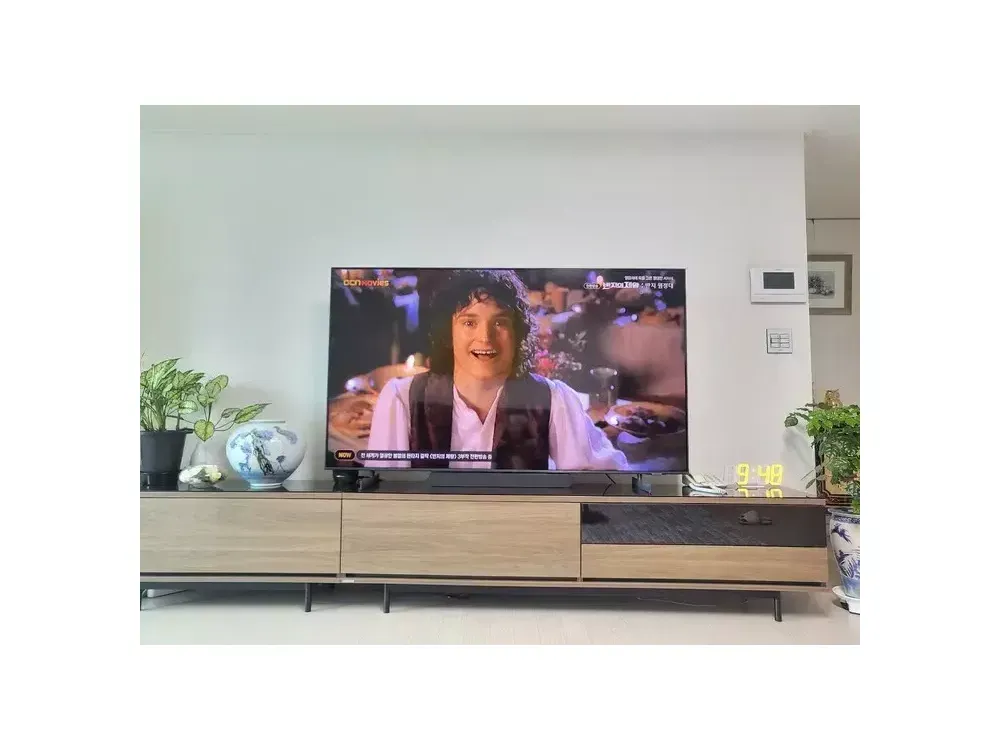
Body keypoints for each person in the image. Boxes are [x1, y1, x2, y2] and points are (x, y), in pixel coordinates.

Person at [365, 269, 628, 470]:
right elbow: (384, 499)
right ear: (448, 333)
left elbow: (604, 479)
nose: (485, 338)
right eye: (469, 323)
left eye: (500, 323)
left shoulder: (553, 399)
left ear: (517, 334)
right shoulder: (402, 399)